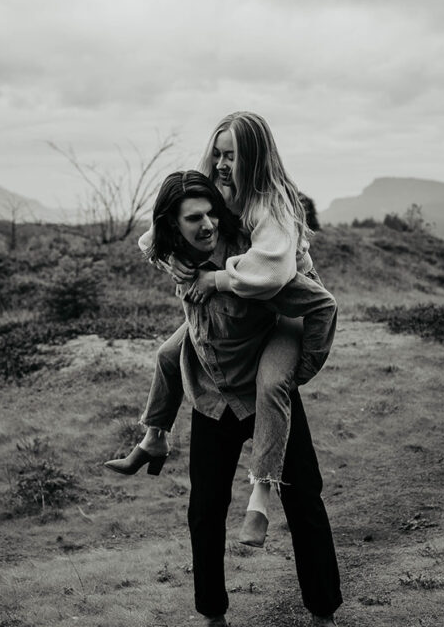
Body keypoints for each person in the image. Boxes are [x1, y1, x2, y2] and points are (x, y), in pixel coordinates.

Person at [114, 170, 344, 627]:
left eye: (211, 214)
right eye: (193, 218)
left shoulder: (250, 270)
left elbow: (318, 302)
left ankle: (323, 619)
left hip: (266, 397)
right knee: (205, 510)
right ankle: (211, 617)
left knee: (305, 503)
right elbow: (150, 241)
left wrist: (297, 373)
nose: (207, 225)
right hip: (212, 400)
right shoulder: (176, 260)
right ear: (174, 227)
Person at [105, 111, 319, 547]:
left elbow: (272, 274)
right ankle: (153, 438)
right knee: (168, 354)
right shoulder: (216, 190)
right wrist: (176, 262)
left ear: (254, 159)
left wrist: (213, 278)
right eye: (218, 154)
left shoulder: (270, 203)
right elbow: (153, 240)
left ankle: (261, 494)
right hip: (235, 315)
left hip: (284, 309)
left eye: (232, 156)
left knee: (271, 383)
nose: (221, 164)